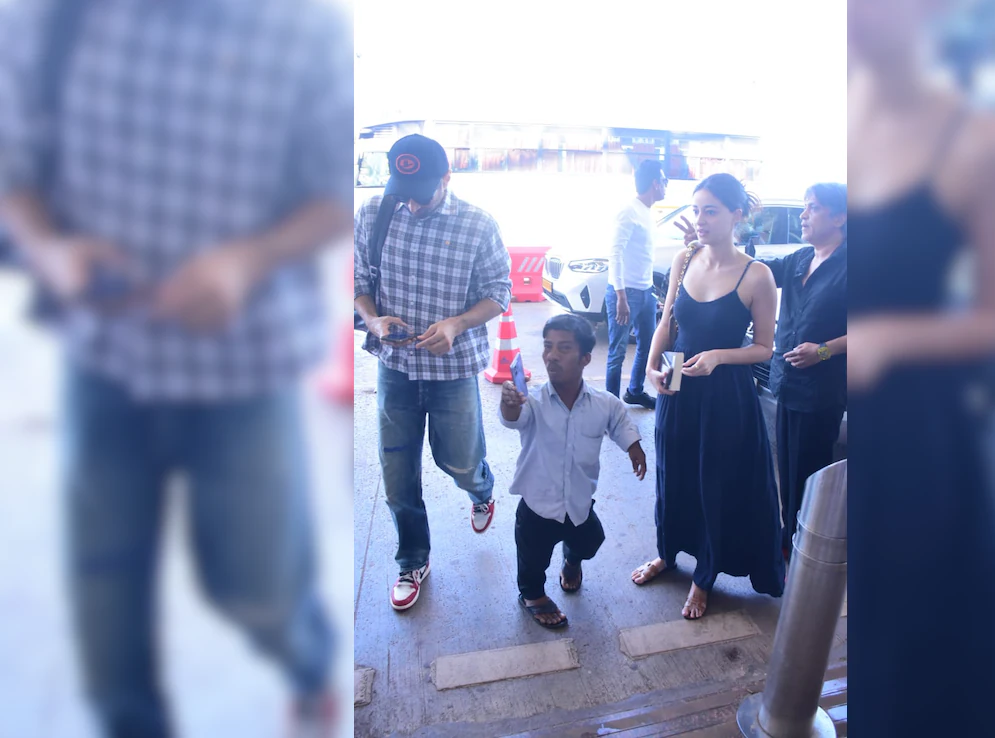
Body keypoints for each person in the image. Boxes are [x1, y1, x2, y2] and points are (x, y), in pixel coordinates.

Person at [0, 1, 350, 734]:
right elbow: (12, 165)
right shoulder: (51, 16)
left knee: (260, 587)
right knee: (104, 603)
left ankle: (310, 665)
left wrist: (249, 259)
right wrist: (51, 251)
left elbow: (337, 189)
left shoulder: (305, 24)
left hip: (247, 366)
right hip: (103, 359)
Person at [846, 0, 995, 735]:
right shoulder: (846, 112)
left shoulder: (980, 139)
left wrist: (888, 338)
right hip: (844, 422)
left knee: (919, 658)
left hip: (919, 439)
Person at [353, 134, 513, 612]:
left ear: (447, 177)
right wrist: (372, 320)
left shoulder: (478, 225)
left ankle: (481, 489)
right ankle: (412, 560)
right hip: (396, 368)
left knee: (460, 461)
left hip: (454, 371)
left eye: (422, 191)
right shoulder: (374, 214)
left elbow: (499, 292)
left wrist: (456, 324)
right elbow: (356, 282)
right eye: (404, 191)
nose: (413, 202)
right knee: (397, 474)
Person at [631, 173, 785, 620]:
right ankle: (667, 552)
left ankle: (705, 575)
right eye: (696, 210)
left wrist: (719, 356)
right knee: (672, 474)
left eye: (711, 211)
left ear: (736, 215)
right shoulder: (685, 258)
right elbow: (667, 323)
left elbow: (765, 348)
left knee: (713, 483)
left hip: (725, 396)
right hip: (677, 385)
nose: (700, 219)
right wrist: (651, 368)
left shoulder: (757, 275)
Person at [499, 314, 647, 628]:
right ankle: (532, 596)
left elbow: (620, 422)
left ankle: (572, 560)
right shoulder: (532, 401)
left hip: (579, 503)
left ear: (585, 359)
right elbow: (514, 418)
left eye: (564, 348)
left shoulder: (604, 403)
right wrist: (509, 404)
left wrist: (633, 446)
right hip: (537, 506)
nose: (552, 355)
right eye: (548, 346)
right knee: (532, 560)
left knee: (591, 540)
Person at [759, 182, 847, 551]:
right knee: (788, 471)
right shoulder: (799, 259)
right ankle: (787, 540)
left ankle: (808, 548)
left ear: (839, 217)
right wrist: (716, 243)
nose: (803, 215)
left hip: (820, 391)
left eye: (813, 207)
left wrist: (823, 351)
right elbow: (756, 271)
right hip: (786, 384)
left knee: (811, 476)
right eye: (804, 206)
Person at [605, 159, 669, 409]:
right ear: (655, 184)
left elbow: (642, 257)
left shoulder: (647, 213)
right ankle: (611, 406)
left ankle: (635, 391)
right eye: (664, 181)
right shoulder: (628, 211)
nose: (666, 185)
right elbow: (615, 254)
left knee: (647, 346)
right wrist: (621, 297)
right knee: (617, 352)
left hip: (645, 292)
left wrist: (651, 292)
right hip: (626, 294)